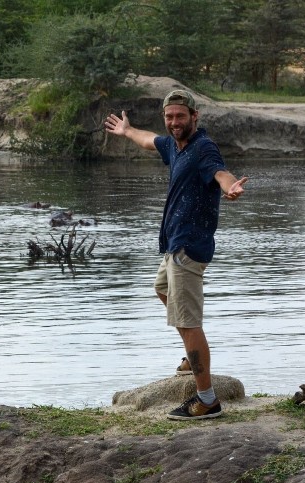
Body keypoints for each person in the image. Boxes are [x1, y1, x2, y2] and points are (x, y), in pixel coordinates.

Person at [104, 89, 247, 420]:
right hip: (173, 245)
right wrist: (127, 131)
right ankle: (191, 353)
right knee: (163, 291)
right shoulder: (174, 146)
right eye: (169, 117)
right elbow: (148, 140)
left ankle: (207, 399)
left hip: (188, 248)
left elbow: (220, 172)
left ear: (194, 116)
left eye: (180, 116)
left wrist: (230, 187)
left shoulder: (202, 148)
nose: (174, 122)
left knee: (187, 321)